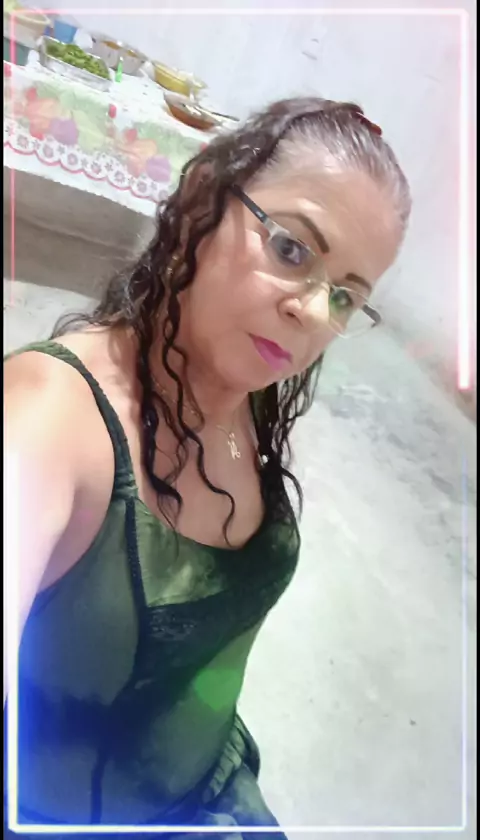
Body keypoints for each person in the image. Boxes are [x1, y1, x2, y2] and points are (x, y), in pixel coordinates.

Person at [4, 96, 411, 838]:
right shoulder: (48, 416)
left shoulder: (246, 394)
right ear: (201, 198)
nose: (313, 312)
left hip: (214, 791)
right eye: (291, 249)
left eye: (345, 296)